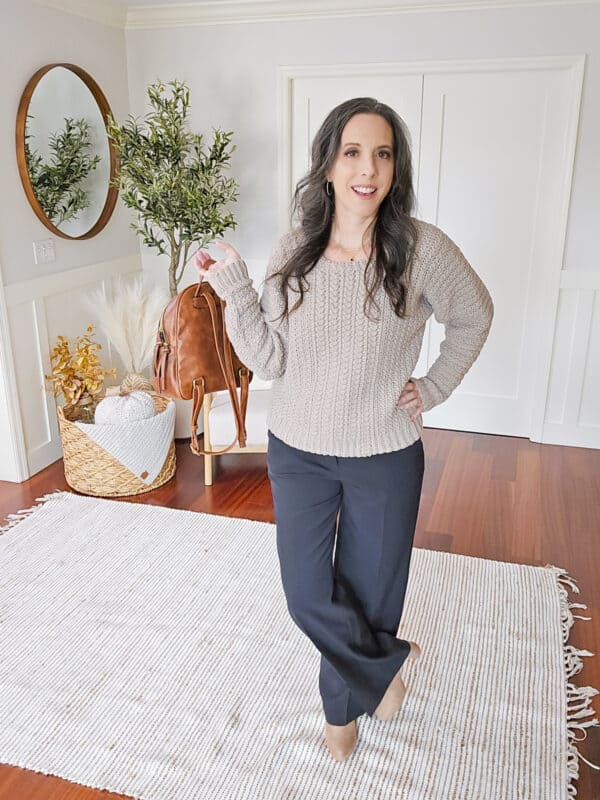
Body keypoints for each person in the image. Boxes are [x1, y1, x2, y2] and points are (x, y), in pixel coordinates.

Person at [195, 97, 494, 762]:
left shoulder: (421, 249)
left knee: (371, 593)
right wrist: (238, 293)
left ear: (396, 167)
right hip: (298, 449)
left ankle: (342, 710)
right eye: (353, 152)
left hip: (383, 455)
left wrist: (436, 385)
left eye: (382, 153)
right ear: (328, 163)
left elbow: (474, 315)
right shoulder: (295, 250)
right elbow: (270, 359)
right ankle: (385, 665)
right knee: (308, 597)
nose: (368, 168)